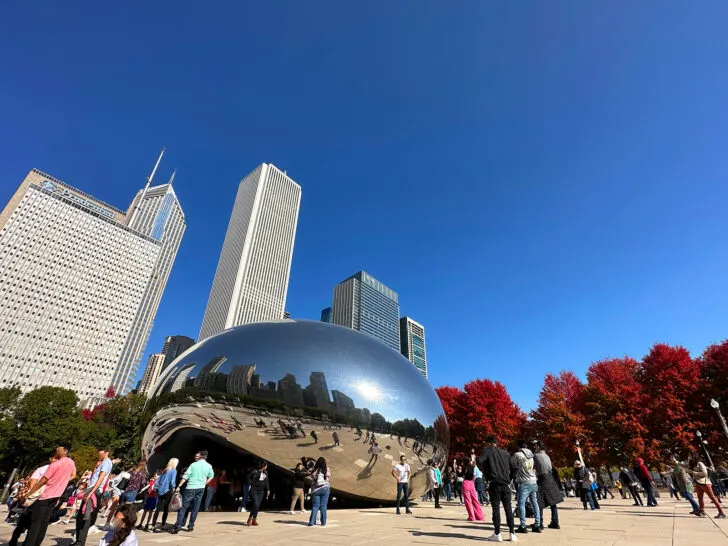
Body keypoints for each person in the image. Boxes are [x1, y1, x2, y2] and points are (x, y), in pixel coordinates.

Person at [20, 447, 77, 546]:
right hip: (55, 496)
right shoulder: (70, 462)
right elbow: (74, 475)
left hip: (45, 496)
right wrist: (62, 481)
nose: (56, 452)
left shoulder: (55, 465)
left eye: (58, 450)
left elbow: (42, 481)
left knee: (35, 524)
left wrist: (29, 493)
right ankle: (37, 543)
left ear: (65, 451)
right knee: (44, 523)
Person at [478, 435, 517, 543]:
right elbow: (514, 468)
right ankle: (512, 533)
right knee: (508, 509)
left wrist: (476, 461)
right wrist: (509, 479)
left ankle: (497, 533)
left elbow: (480, 460)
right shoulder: (506, 453)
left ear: (489, 443)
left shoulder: (488, 451)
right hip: (505, 484)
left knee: (496, 509)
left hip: (494, 483)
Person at [73, 447, 113, 546]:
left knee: (85, 517)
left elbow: (101, 479)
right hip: (91, 490)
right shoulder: (102, 463)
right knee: (80, 517)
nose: (99, 453)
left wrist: (91, 493)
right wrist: (96, 466)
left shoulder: (107, 462)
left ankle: (80, 542)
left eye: (101, 452)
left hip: (94, 492)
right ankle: (78, 540)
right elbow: (94, 476)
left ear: (106, 452)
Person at [172, 450, 214, 533]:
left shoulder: (193, 465)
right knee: (195, 508)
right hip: (201, 488)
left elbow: (186, 476)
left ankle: (178, 525)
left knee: (184, 507)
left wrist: (179, 486)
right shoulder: (209, 466)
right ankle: (190, 526)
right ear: (206, 457)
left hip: (190, 487)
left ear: (200, 456)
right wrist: (204, 483)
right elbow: (211, 476)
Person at [511, 439, 541, 534]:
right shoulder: (532, 455)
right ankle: (537, 524)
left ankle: (523, 525)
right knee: (534, 502)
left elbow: (512, 464)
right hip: (533, 480)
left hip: (524, 482)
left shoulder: (517, 455)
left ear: (518, 446)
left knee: (521, 503)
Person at [532, 441, 563, 530]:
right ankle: (555, 522)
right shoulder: (547, 456)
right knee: (553, 502)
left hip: (542, 478)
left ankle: (539, 522)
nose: (535, 447)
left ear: (538, 446)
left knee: (540, 501)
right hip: (550, 478)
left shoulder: (536, 455)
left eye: (535, 446)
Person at [690, 454, 726, 518]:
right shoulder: (693, 464)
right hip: (698, 483)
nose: (689, 457)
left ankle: (721, 513)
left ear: (695, 457)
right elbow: (683, 465)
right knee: (700, 498)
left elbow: (704, 473)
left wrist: (694, 472)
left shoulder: (700, 463)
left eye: (691, 456)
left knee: (712, 498)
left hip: (705, 483)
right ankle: (702, 511)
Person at [150, 458, 178, 532]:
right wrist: (174, 488)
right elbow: (172, 482)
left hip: (160, 491)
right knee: (165, 509)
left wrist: (157, 488)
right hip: (168, 491)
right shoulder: (173, 471)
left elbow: (158, 481)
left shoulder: (165, 470)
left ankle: (153, 525)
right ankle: (163, 525)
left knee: (157, 509)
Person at [307, 457, 331, 526]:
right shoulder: (327, 469)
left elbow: (312, 477)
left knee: (315, 506)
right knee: (323, 506)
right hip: (325, 488)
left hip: (316, 489)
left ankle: (312, 522)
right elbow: (328, 476)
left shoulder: (314, 470)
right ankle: (323, 522)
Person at [247, 460, 270, 526]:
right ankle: (250, 518)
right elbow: (248, 477)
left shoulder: (266, 472)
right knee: (256, 504)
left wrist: (268, 489)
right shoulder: (255, 471)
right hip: (254, 490)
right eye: (266, 465)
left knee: (257, 506)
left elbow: (267, 481)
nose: (266, 466)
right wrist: (251, 482)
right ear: (263, 466)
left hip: (261, 491)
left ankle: (254, 520)